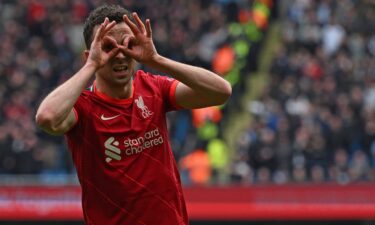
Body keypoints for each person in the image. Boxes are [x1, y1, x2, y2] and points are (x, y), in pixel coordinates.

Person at [35, 4, 231, 225]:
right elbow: (47, 117)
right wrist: (91, 65)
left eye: (129, 44)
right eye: (108, 47)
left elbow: (220, 92)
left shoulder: (153, 88)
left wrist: (156, 60)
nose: (120, 55)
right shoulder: (82, 108)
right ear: (91, 55)